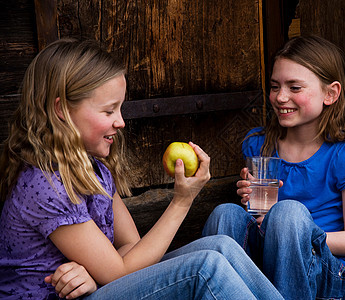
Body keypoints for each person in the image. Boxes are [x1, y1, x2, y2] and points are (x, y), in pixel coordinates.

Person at [0, 38, 284, 300]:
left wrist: (97, 274)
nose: (120, 122)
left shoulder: (93, 170)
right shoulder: (45, 184)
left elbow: (131, 248)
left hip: (93, 291)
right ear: (61, 110)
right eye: (109, 111)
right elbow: (121, 271)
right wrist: (182, 200)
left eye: (120, 109)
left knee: (221, 246)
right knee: (203, 267)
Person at [202, 35, 345, 300]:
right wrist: (253, 203)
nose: (281, 97)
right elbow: (258, 219)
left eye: (295, 87)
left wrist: (288, 230)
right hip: (266, 267)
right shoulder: (259, 144)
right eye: (275, 86)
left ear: (330, 94)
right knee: (225, 214)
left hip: (322, 270)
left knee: (288, 215)